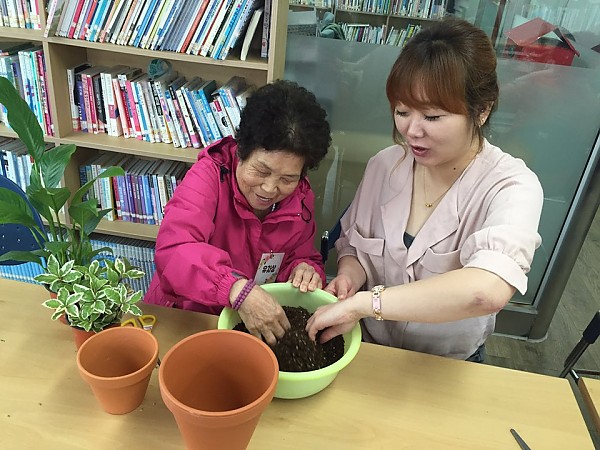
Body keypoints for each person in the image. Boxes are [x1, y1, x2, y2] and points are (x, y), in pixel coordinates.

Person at [306, 18, 544, 361]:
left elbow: (485, 290)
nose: (412, 131)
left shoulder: (511, 186)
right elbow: (356, 247)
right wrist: (348, 277)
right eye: (402, 111)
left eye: (432, 117)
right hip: (370, 349)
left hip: (446, 364)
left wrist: (367, 303)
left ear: (482, 110)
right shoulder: (384, 166)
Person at [145, 80, 331, 346]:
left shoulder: (300, 199)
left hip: (246, 325)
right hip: (186, 319)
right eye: (261, 171)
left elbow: (299, 254)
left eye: (287, 178)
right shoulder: (208, 177)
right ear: (241, 149)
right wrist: (235, 289)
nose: (270, 188)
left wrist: (306, 269)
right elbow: (174, 249)